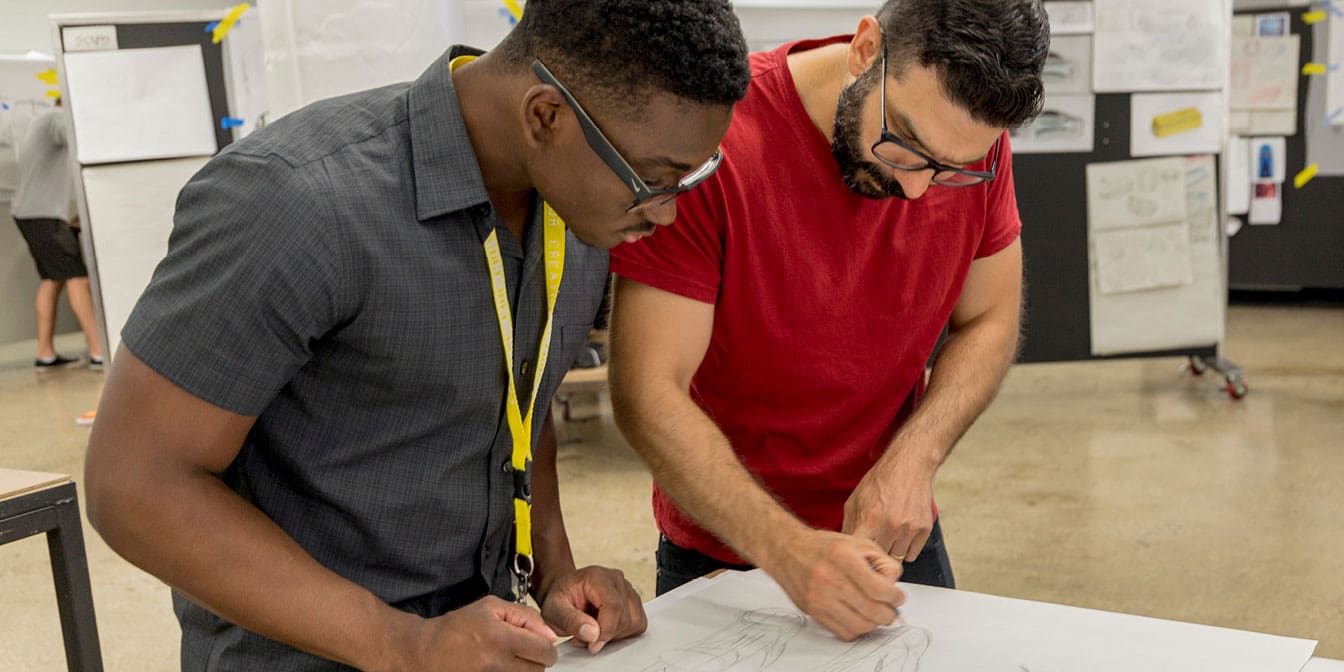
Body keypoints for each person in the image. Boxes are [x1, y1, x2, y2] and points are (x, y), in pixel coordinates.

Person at [84, 1, 750, 670]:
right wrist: (400, 643)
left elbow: (521, 398)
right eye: (653, 181)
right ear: (545, 115)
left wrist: (555, 577)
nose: (665, 214)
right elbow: (135, 483)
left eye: (690, 178)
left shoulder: (574, 209)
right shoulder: (297, 201)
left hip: (473, 643)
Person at [608, 0, 1047, 642]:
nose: (920, 191)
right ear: (866, 50)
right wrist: (788, 550)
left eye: (950, 172)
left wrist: (913, 461)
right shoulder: (715, 140)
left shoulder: (969, 144)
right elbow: (647, 391)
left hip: (891, 532)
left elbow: (988, 318)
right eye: (907, 147)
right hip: (727, 544)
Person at [11, 98, 104, 370]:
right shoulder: (56, 118)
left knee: (53, 279)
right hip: (43, 214)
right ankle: (99, 352)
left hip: (33, 212)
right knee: (78, 278)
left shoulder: (44, 122)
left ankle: (45, 354)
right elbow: (84, 143)